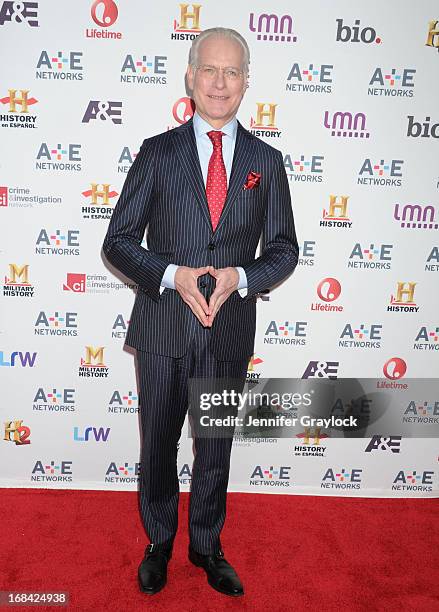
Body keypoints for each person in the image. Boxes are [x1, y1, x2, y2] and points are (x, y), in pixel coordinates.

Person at [102, 27, 298, 597]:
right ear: (190, 76)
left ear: (245, 83)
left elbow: (284, 250)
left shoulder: (267, 160)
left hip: (228, 333)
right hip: (163, 328)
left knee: (215, 447)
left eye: (232, 72)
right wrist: (171, 274)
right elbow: (118, 242)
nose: (219, 82)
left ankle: (207, 546)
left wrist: (241, 276)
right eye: (209, 70)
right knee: (157, 443)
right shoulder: (157, 152)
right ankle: (160, 541)